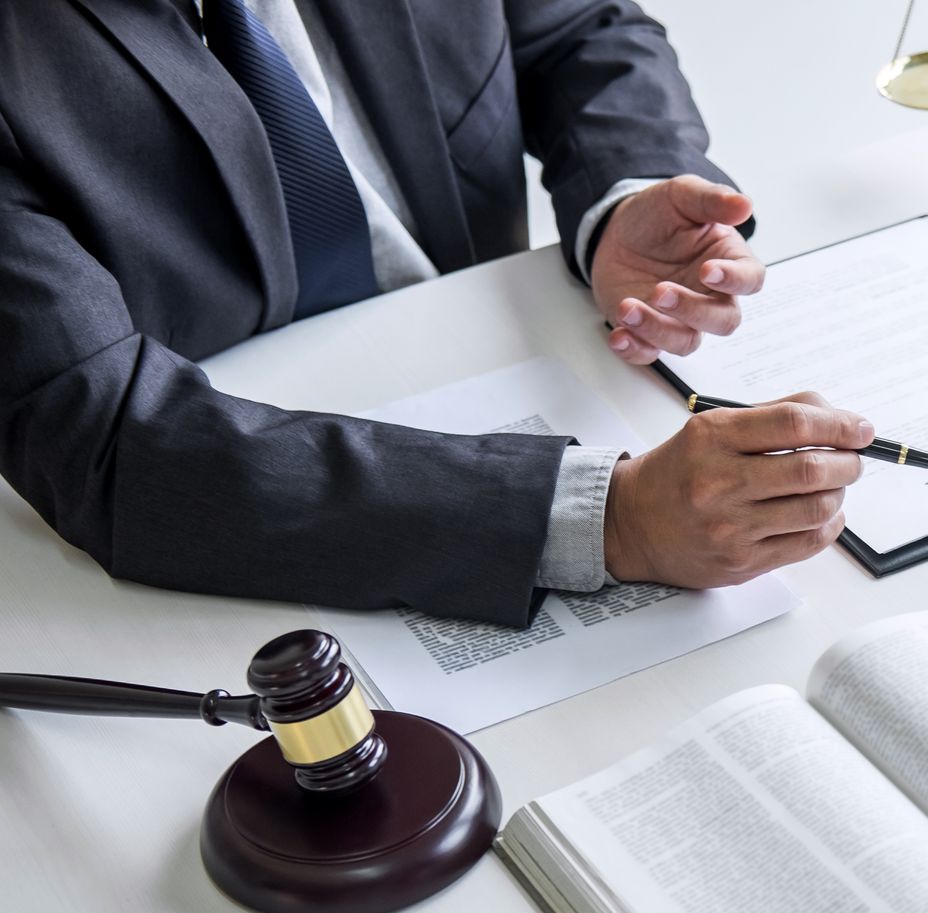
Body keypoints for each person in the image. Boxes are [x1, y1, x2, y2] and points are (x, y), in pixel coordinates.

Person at [0, 0, 868, 628]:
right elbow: (102, 437)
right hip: (230, 510)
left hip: (532, 362)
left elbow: (578, 30)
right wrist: (615, 519)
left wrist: (620, 201)